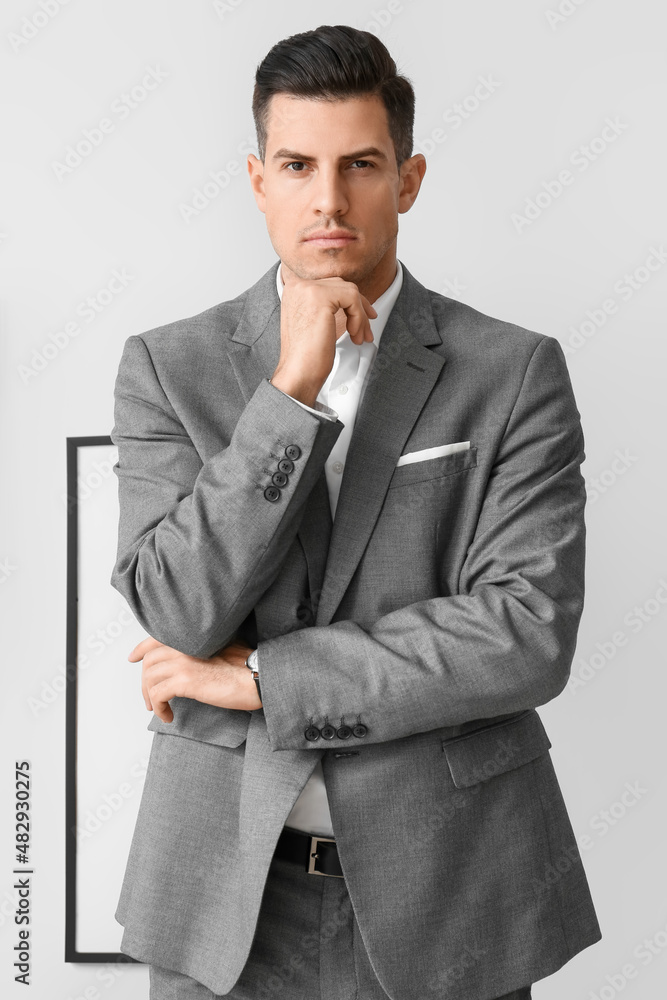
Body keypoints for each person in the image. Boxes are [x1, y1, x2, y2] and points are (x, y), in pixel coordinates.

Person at [110, 23, 602, 1000]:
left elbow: (524, 632)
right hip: (225, 900)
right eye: (297, 164)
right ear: (259, 181)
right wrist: (290, 392)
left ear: (407, 179)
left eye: (360, 165)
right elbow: (176, 608)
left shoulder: (510, 372)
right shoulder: (170, 368)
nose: (327, 199)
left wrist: (268, 678)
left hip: (453, 890)